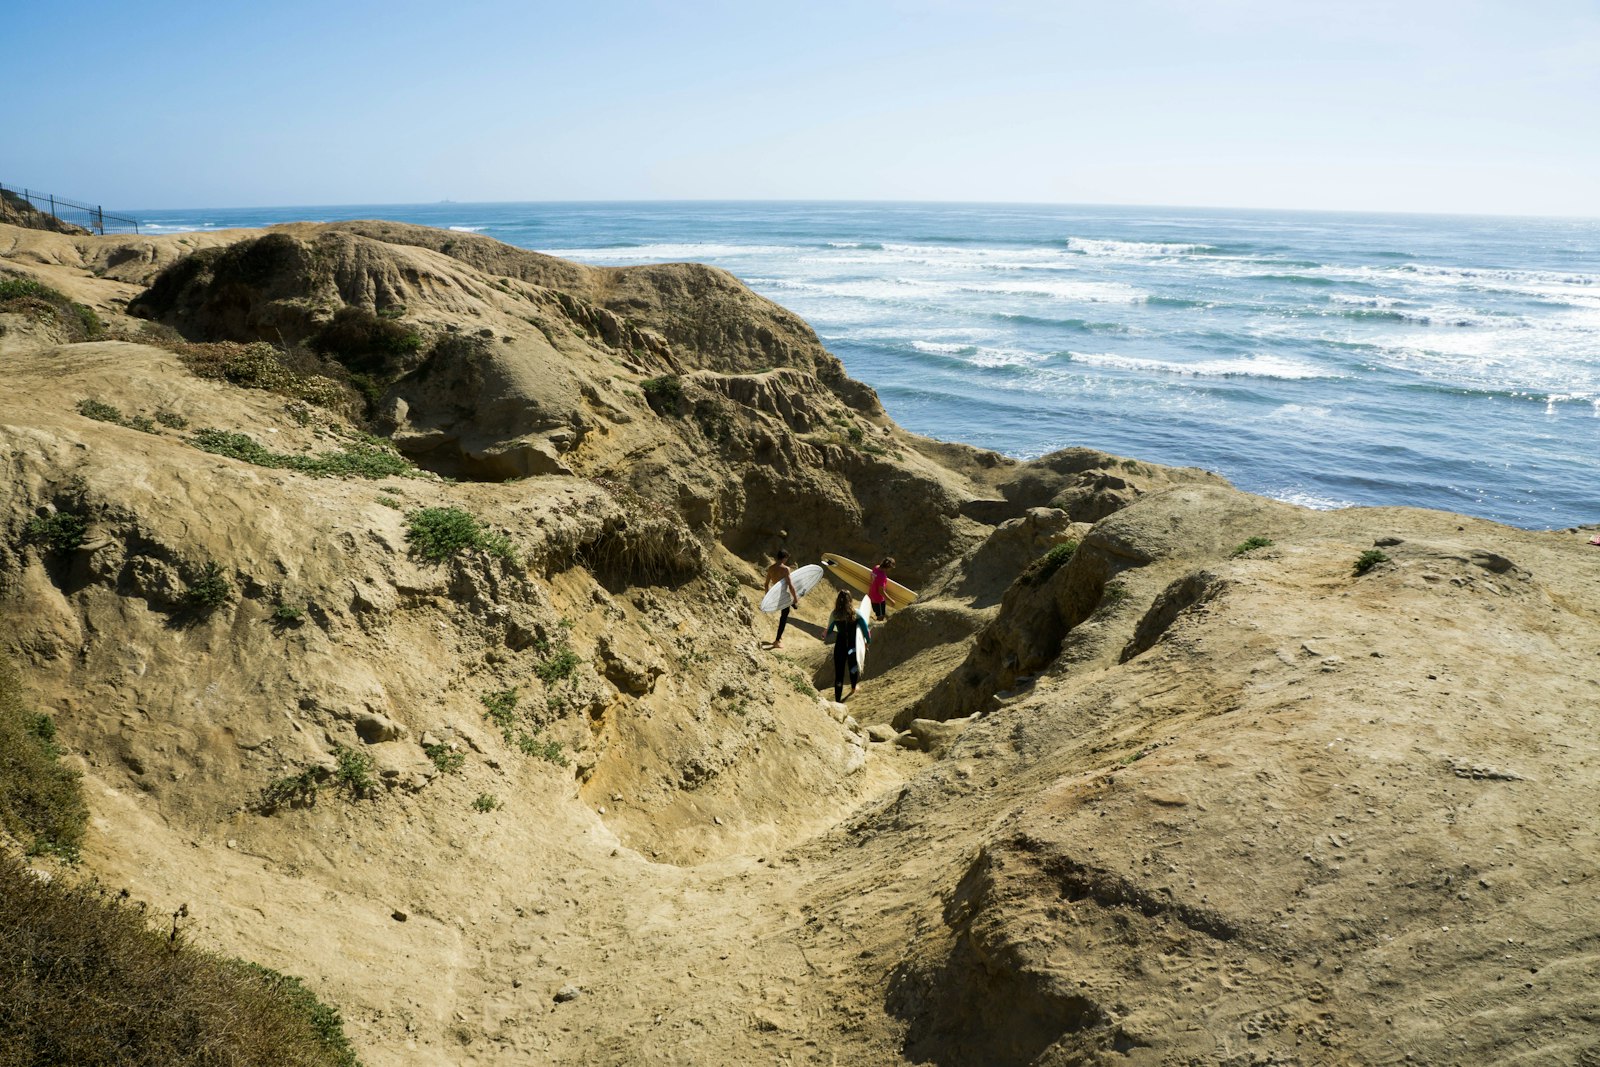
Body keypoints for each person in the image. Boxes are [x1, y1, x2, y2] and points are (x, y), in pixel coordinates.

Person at [824, 589, 870, 701]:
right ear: (850, 600)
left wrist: (825, 633)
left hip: (840, 646)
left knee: (839, 673)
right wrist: (866, 643)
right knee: (853, 667)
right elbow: (865, 631)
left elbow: (829, 630)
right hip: (852, 647)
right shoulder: (857, 613)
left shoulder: (834, 614)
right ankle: (854, 688)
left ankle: (838, 699)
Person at [766, 549, 801, 648]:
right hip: (784, 595)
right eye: (787, 558)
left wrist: (768, 597)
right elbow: (790, 585)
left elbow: (766, 584)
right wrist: (795, 598)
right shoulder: (785, 569)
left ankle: (793, 605)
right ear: (784, 558)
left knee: (786, 612)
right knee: (784, 617)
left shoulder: (770, 568)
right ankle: (777, 641)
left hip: (776, 594)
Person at [868, 556, 896, 622]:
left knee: (878, 613)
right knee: (880, 617)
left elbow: (871, 579)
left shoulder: (876, 567)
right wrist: (891, 600)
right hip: (878, 600)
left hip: (872, 595)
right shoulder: (882, 576)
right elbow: (881, 591)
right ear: (888, 567)